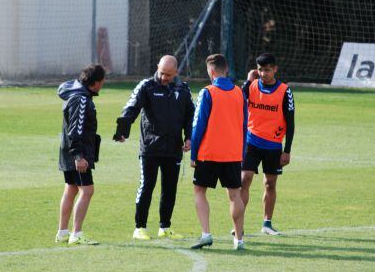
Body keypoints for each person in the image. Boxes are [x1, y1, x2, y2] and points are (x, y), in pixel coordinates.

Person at [116, 55, 195, 240]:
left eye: (168, 74)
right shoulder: (147, 86)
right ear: (157, 67)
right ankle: (139, 227)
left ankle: (165, 227)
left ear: (176, 72)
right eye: (162, 73)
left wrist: (189, 137)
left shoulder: (183, 89)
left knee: (170, 189)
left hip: (173, 148)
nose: (164, 77)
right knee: (147, 186)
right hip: (150, 148)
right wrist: (122, 130)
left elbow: (191, 115)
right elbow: (131, 107)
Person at [189, 53, 248, 250]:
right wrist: (242, 152)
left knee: (199, 191)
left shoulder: (207, 92)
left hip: (209, 153)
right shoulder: (240, 93)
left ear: (211, 72)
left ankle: (206, 234)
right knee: (235, 195)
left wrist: (193, 154)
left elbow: (198, 127)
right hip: (232, 154)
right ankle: (239, 240)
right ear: (227, 70)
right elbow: (244, 126)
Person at [240, 53, 295, 236]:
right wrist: (248, 81)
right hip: (251, 141)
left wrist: (286, 150)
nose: (264, 74)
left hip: (273, 145)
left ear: (275, 69)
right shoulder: (252, 87)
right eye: (261, 70)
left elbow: (291, 122)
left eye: (267, 70)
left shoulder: (285, 91)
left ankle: (267, 223)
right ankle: (238, 222)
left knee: (270, 183)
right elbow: (238, 101)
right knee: (244, 179)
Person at [55, 64, 106, 245]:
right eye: (102, 81)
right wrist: (79, 156)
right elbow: (76, 129)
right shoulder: (82, 99)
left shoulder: (74, 93)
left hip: (68, 150)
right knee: (87, 190)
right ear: (97, 82)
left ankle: (62, 232)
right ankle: (76, 233)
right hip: (77, 153)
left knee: (71, 188)